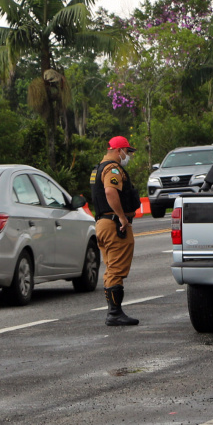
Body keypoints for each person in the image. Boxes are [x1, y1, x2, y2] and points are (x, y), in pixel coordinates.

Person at [90, 136, 142, 326]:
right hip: (114, 224)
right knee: (116, 269)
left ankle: (114, 311)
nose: (127, 155)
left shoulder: (98, 169)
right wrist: (121, 217)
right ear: (118, 150)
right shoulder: (112, 168)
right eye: (127, 151)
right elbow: (110, 192)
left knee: (111, 267)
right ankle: (114, 313)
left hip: (103, 223)